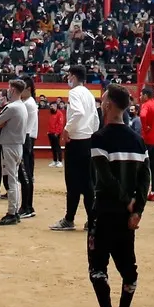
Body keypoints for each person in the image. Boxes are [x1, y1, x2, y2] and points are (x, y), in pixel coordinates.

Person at [86, 84, 147, 307]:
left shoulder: (100, 139)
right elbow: (146, 179)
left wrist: (125, 201)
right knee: (128, 268)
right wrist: (137, 208)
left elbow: (105, 178)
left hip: (105, 211)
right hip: (126, 217)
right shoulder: (137, 140)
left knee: (98, 267)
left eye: (103, 101)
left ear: (109, 105)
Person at [50, 67, 100, 231]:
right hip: (88, 140)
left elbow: (77, 113)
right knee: (88, 184)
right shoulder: (89, 93)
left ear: (73, 76)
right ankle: (92, 220)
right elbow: (94, 118)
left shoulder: (74, 93)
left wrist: (66, 129)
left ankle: (69, 218)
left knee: (72, 183)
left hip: (76, 141)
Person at [0, 80, 29, 225]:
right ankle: (13, 211)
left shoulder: (12, 107)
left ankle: (12, 212)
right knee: (13, 178)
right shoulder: (22, 106)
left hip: (9, 145)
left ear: (13, 90)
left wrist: (2, 123)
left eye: (9, 88)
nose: (7, 91)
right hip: (17, 144)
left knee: (11, 180)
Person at [137, 84, 154, 202]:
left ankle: (140, 191)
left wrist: (145, 127)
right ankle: (153, 192)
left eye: (141, 94)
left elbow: (142, 115)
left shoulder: (146, 105)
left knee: (141, 166)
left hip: (146, 139)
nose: (140, 96)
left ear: (145, 95)